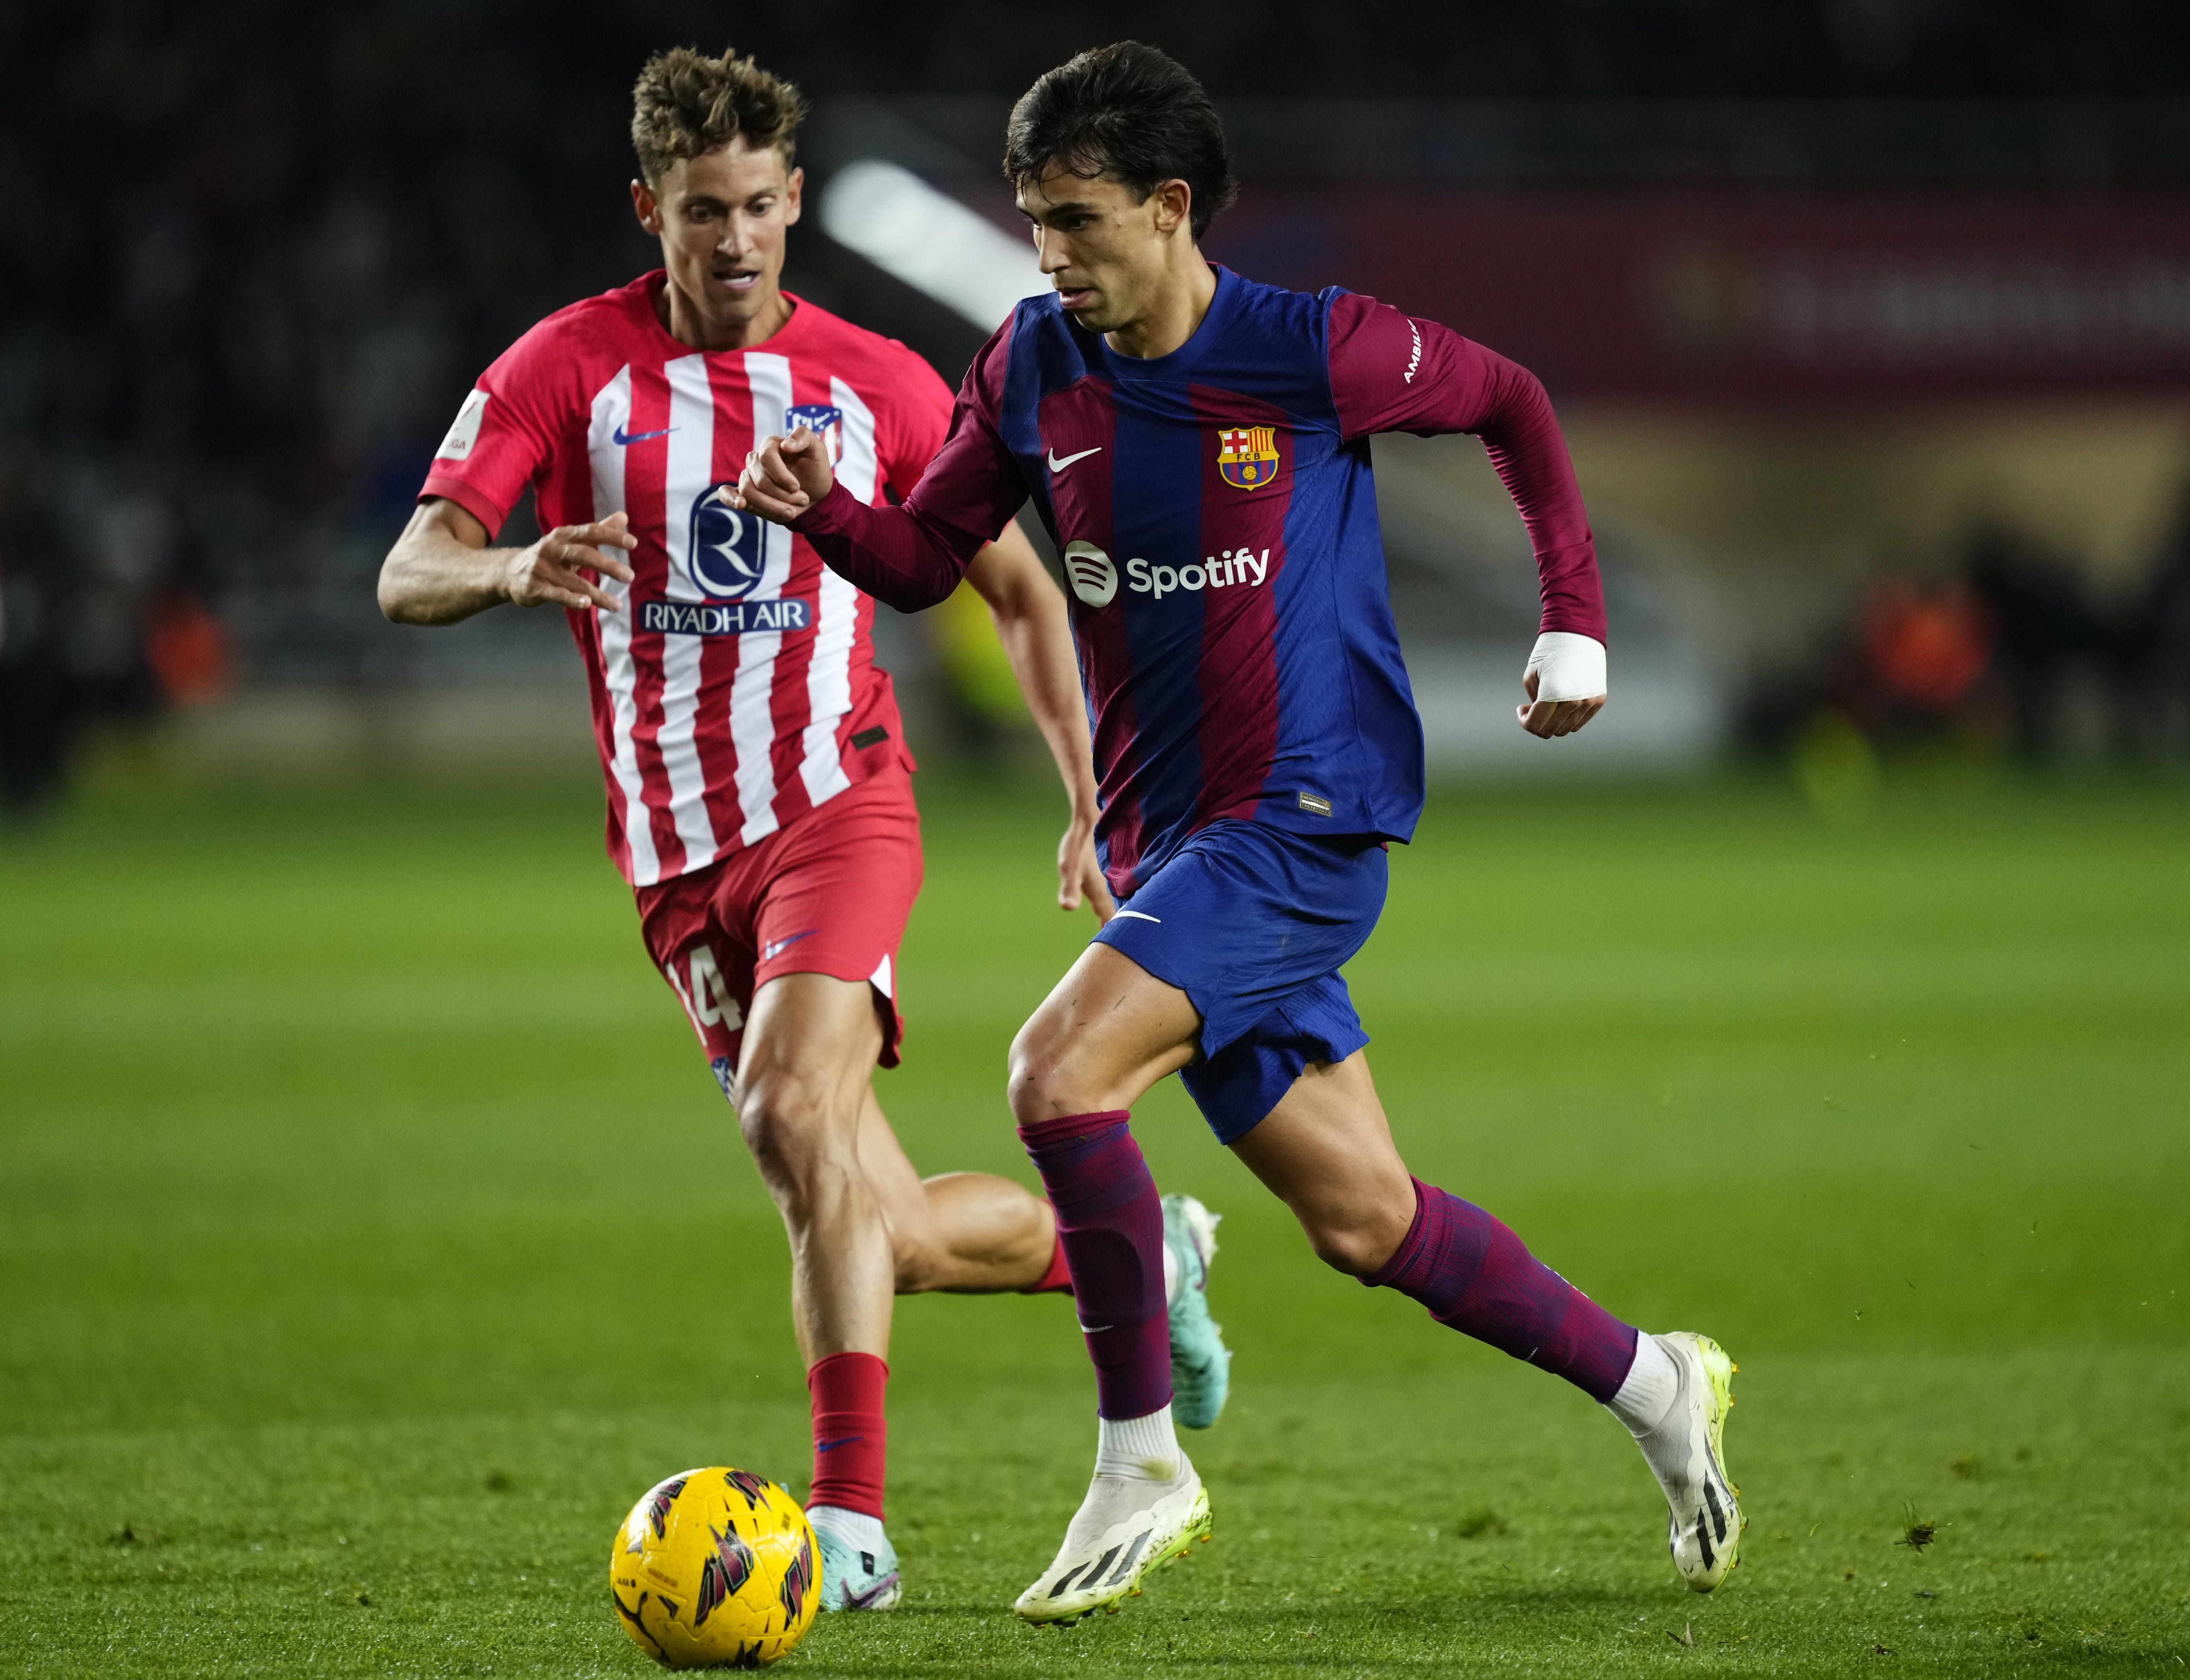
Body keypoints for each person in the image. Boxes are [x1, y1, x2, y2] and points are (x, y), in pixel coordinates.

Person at [724, 39, 1741, 1624]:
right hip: (1171, 851)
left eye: (1075, 220)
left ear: (1170, 205)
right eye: (1032, 220)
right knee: (1367, 1220)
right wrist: (827, 515)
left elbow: (1513, 404)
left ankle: (1141, 1457)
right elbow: (933, 557)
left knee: (1055, 1074)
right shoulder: (1029, 368)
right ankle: (1656, 1384)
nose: (1049, 254)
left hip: (1303, 825)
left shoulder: (1310, 348)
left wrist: (1575, 619)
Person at [375, 47, 1233, 1618]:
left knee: (790, 1112)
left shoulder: (882, 384)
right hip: (673, 860)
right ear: (652, 209)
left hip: (840, 806)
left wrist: (1088, 797)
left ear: (791, 203)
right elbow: (409, 567)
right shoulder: (564, 369)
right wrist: (506, 571)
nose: (739, 241)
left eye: (764, 205)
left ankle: (850, 1527)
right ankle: (1144, 1254)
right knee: (876, 1226)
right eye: (706, 211)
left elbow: (1025, 592)